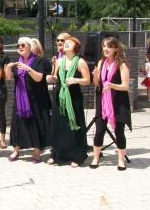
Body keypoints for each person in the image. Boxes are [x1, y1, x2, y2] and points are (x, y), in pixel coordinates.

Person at [47, 36, 90, 167]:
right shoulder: (59, 61)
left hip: (74, 96)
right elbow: (55, 77)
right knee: (58, 125)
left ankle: (77, 156)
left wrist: (76, 80)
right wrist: (51, 78)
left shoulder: (80, 62)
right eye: (65, 42)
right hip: (60, 95)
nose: (65, 44)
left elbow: (87, 80)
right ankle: (56, 154)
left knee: (74, 124)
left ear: (75, 47)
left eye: (69, 43)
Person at [6, 37, 51, 162]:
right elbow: (9, 78)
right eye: (18, 45)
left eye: (23, 45)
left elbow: (39, 78)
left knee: (36, 124)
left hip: (35, 99)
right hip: (19, 99)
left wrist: (28, 69)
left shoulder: (39, 60)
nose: (20, 47)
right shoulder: (17, 62)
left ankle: (37, 152)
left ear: (30, 47)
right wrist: (8, 68)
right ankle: (16, 150)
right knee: (17, 124)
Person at [91, 36, 132, 171]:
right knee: (99, 130)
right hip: (102, 101)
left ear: (115, 48)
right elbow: (97, 84)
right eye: (104, 46)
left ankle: (121, 160)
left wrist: (112, 85)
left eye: (109, 46)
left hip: (118, 102)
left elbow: (125, 86)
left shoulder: (122, 64)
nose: (105, 49)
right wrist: (95, 76)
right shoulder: (101, 63)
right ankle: (96, 158)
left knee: (119, 132)